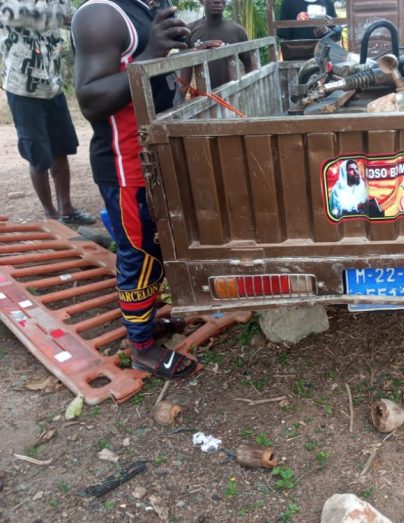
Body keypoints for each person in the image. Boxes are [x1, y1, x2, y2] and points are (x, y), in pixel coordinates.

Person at [72, 0, 196, 379]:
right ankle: (141, 347)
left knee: (157, 247)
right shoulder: (100, 14)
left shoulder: (148, 8)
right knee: (139, 252)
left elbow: (156, 83)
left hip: (154, 159)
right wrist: (151, 53)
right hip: (126, 167)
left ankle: (147, 321)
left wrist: (186, 54)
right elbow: (90, 99)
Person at [0, 0, 95, 225]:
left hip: (53, 86)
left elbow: (77, 17)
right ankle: (51, 213)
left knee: (61, 150)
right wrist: (63, 17)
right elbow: (20, 15)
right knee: (38, 155)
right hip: (23, 89)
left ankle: (67, 209)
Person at [184, 0, 254, 90]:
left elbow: (249, 66)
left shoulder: (238, 31)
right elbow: (184, 73)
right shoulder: (189, 30)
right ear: (201, 1)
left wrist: (249, 90)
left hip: (233, 94)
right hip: (205, 96)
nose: (217, 1)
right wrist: (196, 51)